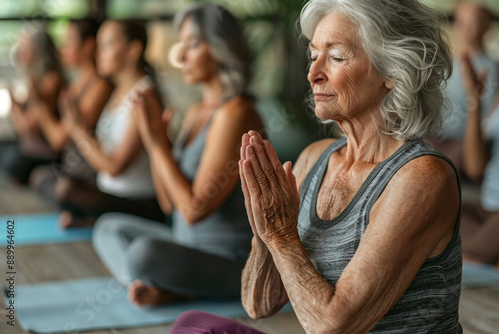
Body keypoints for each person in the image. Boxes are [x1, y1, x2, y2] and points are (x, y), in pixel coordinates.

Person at [170, 0, 462, 333]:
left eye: (336, 57)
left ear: (393, 72)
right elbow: (258, 303)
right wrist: (264, 230)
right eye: (313, 56)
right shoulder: (314, 158)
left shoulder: (421, 177)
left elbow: (333, 325)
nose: (313, 73)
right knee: (195, 325)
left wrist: (281, 234)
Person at [92, 3, 264, 306]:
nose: (180, 56)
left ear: (221, 49)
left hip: (228, 262)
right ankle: (151, 283)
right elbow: (168, 202)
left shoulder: (237, 114)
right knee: (108, 228)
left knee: (144, 253)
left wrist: (158, 144)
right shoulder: (197, 112)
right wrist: (153, 139)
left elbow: (195, 209)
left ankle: (167, 284)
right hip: (185, 245)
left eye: (192, 45)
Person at [56, 20, 163, 228]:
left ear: (133, 50)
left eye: (107, 45)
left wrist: (78, 131)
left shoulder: (144, 96)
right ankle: (92, 218)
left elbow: (114, 167)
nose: (98, 54)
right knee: (51, 179)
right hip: (109, 192)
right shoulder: (119, 91)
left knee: (67, 188)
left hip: (138, 201)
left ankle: (93, 218)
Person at [29, 19, 113, 200]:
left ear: (89, 45)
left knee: (65, 188)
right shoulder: (77, 84)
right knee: (39, 177)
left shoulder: (101, 85)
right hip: (69, 169)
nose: (62, 49)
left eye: (69, 42)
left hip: (89, 175)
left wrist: (39, 105)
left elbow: (58, 139)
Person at [431, 2, 499, 173]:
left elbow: (488, 120)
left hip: (465, 148)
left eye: (472, 22)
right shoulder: (443, 64)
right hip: (432, 139)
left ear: (486, 26)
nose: (464, 28)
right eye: (461, 22)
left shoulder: (492, 68)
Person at [0, 26, 64, 184]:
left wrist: (12, 98)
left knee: (10, 165)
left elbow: (27, 127)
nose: (21, 54)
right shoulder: (35, 78)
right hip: (28, 149)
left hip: (43, 154)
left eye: (26, 49)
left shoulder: (50, 80)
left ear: (38, 51)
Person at [459, 52, 499, 268]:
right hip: (487, 206)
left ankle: (476, 255)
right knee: (431, 211)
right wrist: (474, 99)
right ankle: (481, 256)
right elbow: (475, 168)